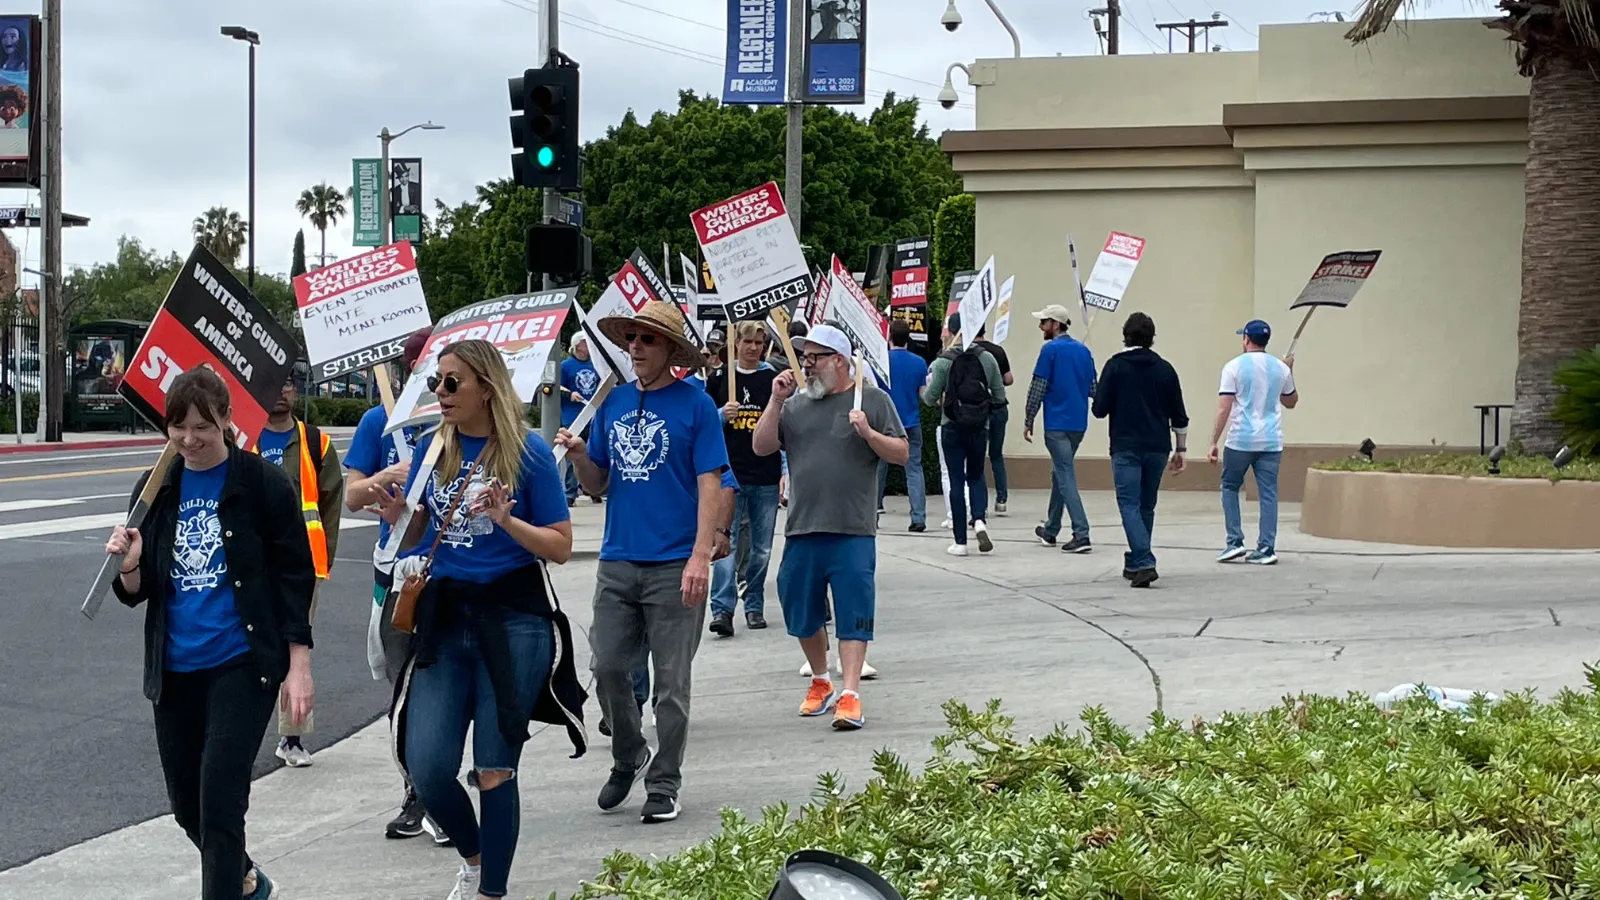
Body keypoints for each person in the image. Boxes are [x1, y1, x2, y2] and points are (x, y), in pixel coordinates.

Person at [375, 339, 584, 900]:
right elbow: (422, 532)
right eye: (435, 383)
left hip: (513, 622)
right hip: (446, 618)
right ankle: (474, 857)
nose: (439, 393)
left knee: (494, 768)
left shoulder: (529, 455)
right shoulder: (430, 449)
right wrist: (401, 518)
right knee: (428, 766)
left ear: (486, 388)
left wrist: (505, 520)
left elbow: (561, 546)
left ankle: (493, 891)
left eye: (451, 383)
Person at [104, 366, 315, 900]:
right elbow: (139, 587)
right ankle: (244, 881)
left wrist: (299, 664)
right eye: (177, 426)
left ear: (227, 420)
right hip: (174, 669)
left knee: (220, 802)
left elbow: (295, 574)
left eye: (202, 425)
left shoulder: (262, 483)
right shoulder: (157, 487)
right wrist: (129, 565)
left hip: (242, 662)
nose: (189, 439)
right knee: (186, 807)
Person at [556, 300, 729, 825]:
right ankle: (629, 752)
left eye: (647, 339)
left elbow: (711, 483)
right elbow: (600, 484)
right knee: (607, 666)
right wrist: (584, 457)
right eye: (630, 337)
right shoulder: (613, 402)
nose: (635, 345)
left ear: (671, 350)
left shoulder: (695, 405)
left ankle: (665, 783)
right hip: (618, 560)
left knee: (671, 686)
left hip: (675, 562)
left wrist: (702, 554)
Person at [752, 323, 908, 730]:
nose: (807, 364)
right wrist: (774, 400)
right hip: (803, 526)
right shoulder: (796, 405)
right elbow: (762, 446)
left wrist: (868, 432)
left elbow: (902, 453)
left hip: (852, 527)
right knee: (801, 611)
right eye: (804, 357)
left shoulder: (871, 400)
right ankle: (820, 679)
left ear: (840, 360)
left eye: (815, 357)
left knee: (855, 611)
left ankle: (851, 692)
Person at [343, 328, 448, 843]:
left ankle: (441, 786)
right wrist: (392, 472)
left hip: (449, 567)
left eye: (437, 369)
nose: (427, 378)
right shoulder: (377, 421)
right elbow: (351, 496)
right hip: (395, 573)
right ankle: (416, 790)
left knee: (447, 682)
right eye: (418, 367)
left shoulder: (456, 420)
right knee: (402, 684)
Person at [251, 360, 342, 767]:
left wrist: (323, 561)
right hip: (252, 564)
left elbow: (331, 506)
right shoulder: (243, 440)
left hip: (301, 567)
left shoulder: (315, 442)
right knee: (249, 648)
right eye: (274, 384)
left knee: (296, 648)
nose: (282, 392)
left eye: (288, 384)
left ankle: (291, 738)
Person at [1091, 313, 1189, 588]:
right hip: (1158, 446)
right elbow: (1179, 414)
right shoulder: (1165, 369)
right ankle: (1135, 562)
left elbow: (1099, 410)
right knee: (1146, 505)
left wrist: (1100, 389)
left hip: (1125, 445)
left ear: (1125, 336)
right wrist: (1181, 448)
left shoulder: (1115, 366)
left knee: (1128, 503)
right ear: (1151, 338)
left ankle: (1144, 559)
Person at [706, 320, 782, 637]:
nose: (753, 348)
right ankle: (722, 609)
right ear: (736, 344)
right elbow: (703, 423)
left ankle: (753, 604)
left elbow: (785, 424)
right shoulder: (720, 379)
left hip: (765, 473)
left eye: (758, 343)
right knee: (727, 545)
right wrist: (722, 414)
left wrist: (786, 473)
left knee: (761, 548)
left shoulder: (773, 379)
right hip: (729, 475)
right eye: (747, 342)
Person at [1208, 319, 1298, 566]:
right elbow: (1290, 402)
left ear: (1246, 339)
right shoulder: (1281, 368)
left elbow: (1224, 407)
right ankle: (1267, 547)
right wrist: (1290, 371)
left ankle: (1234, 541)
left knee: (1229, 486)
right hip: (1270, 441)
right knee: (1268, 493)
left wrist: (1214, 441)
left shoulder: (1233, 367)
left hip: (1240, 439)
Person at [922, 314, 1006, 557]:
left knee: (956, 481)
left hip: (952, 425)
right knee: (977, 475)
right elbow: (999, 396)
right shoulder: (987, 359)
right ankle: (979, 519)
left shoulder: (942, 362)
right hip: (979, 426)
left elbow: (929, 399)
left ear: (952, 331)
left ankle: (960, 542)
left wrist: (930, 390)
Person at [1024, 303, 1097, 554]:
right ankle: (1051, 528)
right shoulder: (1084, 352)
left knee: (1065, 474)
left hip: (1056, 423)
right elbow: (1093, 389)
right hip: (1078, 423)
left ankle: (1082, 533)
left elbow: (1038, 387)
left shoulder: (1050, 350)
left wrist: (1028, 418)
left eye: (1044, 322)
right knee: (1059, 473)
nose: (1041, 326)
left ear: (1055, 324)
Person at [875, 320, 930, 532]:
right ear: (908, 337)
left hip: (885, 423)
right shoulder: (919, 363)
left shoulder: (881, 361)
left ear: (889, 337)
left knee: (878, 469)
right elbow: (924, 395)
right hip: (911, 422)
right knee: (914, 469)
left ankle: (872, 515)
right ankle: (918, 517)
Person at [971, 325, 1014, 514]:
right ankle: (1002, 498)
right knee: (996, 454)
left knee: (977, 455)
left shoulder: (969, 353)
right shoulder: (998, 350)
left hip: (978, 410)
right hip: (999, 408)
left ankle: (981, 503)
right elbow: (1009, 379)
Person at [559, 332, 601, 506]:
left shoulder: (595, 365)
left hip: (592, 415)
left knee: (593, 452)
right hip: (573, 416)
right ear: (577, 345)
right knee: (572, 453)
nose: (588, 346)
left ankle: (592, 489)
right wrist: (570, 394)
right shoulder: (565, 366)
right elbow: (556, 386)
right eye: (585, 343)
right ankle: (570, 492)